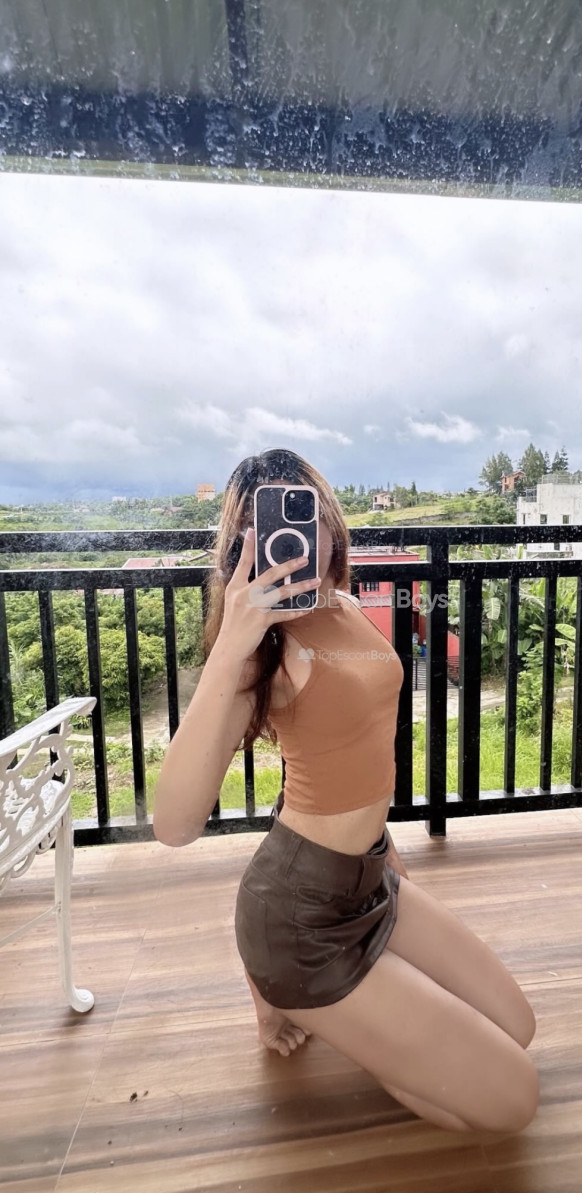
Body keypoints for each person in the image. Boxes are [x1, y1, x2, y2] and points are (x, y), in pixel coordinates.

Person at [153, 448, 539, 1137]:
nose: (296, 537)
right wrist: (231, 645)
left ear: (329, 520)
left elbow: (352, 757)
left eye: (305, 511)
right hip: (298, 921)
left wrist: (388, 861)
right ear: (241, 544)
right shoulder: (260, 651)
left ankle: (342, 1010)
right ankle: (295, 993)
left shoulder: (344, 606)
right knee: (514, 1101)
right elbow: (174, 825)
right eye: (267, 523)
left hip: (370, 878)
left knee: (519, 1027)